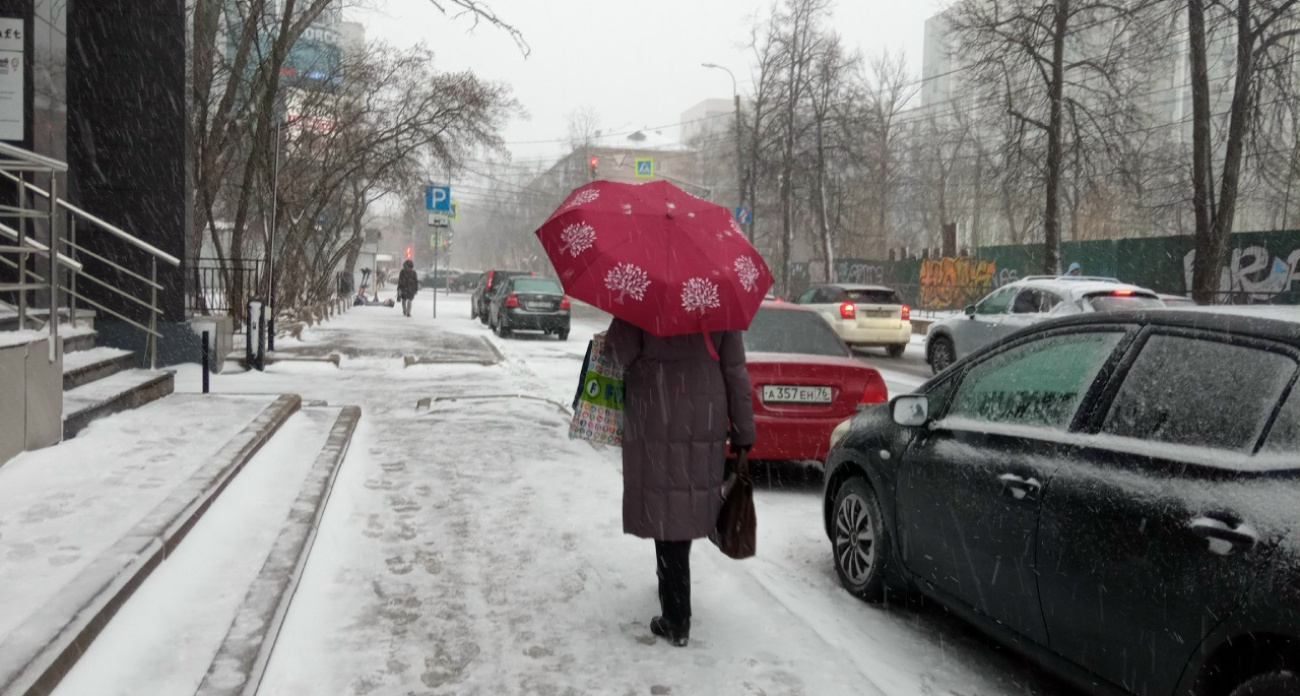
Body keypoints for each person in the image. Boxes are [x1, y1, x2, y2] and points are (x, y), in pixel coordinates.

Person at [605, 319, 756, 648]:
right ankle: (673, 593)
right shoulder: (718, 303)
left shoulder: (641, 302)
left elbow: (619, 353)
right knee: (682, 503)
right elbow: (735, 370)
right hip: (703, 416)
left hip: (654, 412)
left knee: (664, 506)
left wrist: (621, 319)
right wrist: (744, 431)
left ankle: (676, 615)